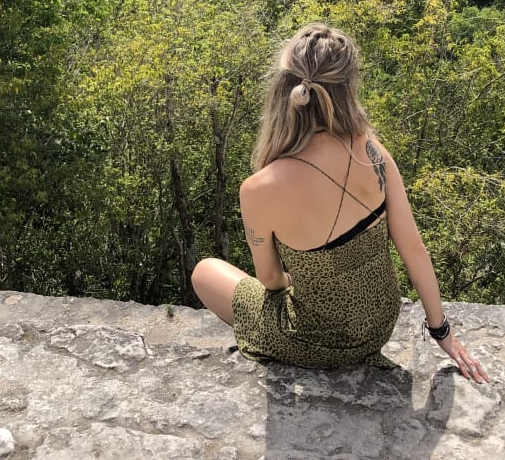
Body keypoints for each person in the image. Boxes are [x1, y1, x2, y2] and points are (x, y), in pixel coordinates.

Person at [192, 23, 489, 382]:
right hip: (379, 326)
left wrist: (307, 279)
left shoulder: (259, 188)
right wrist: (443, 332)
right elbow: (413, 247)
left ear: (283, 92)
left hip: (317, 341)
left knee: (205, 271)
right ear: (347, 89)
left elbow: (270, 280)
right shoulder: (371, 151)